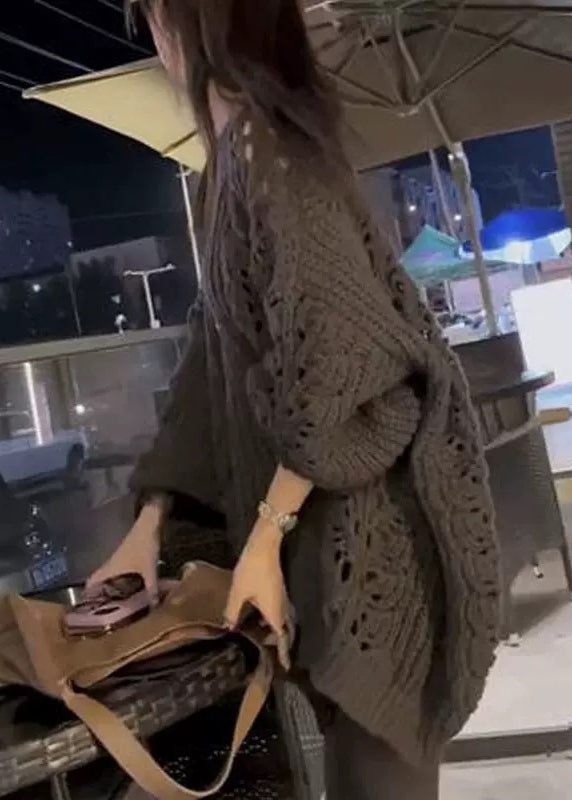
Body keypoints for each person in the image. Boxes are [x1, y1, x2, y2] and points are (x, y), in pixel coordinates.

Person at [90, 1, 500, 797]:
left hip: (379, 555)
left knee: (379, 773)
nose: (154, 40)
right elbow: (210, 371)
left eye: (157, 16)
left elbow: (345, 372)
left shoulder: (272, 155)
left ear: (201, 24)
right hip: (323, 553)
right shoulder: (229, 170)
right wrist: (149, 524)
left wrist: (267, 535)